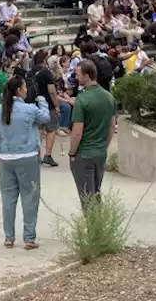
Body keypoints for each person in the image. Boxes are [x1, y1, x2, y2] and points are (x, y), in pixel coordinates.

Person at [0, 77, 49, 250]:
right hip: (27, 156)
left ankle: (9, 236)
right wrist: (42, 100)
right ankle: (29, 237)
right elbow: (44, 117)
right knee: (30, 197)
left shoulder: (0, 110)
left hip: (6, 158)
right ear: (20, 90)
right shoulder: (29, 109)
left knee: (8, 198)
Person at [67, 60, 115, 207]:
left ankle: (92, 229)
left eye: (78, 74)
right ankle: (99, 226)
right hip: (100, 153)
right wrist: (103, 147)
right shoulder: (109, 97)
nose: (76, 77)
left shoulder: (82, 100)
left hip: (83, 154)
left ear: (86, 76)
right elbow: (112, 127)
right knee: (96, 193)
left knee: (87, 198)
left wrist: (72, 153)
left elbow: (77, 132)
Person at [24, 49, 61, 167]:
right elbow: (52, 91)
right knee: (51, 129)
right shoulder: (46, 73)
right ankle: (48, 155)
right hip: (47, 105)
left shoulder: (29, 73)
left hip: (32, 104)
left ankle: (37, 155)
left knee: (37, 130)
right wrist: (56, 105)